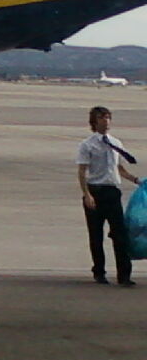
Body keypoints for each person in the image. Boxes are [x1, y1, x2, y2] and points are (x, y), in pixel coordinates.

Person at [77, 106, 142, 286]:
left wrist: (135, 180)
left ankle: (124, 275)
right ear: (94, 122)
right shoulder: (87, 145)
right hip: (95, 191)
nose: (106, 121)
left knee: (120, 234)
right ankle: (99, 272)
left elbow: (119, 168)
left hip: (112, 192)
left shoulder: (116, 143)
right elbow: (82, 172)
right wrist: (87, 195)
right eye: (101, 118)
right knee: (96, 235)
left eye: (107, 118)